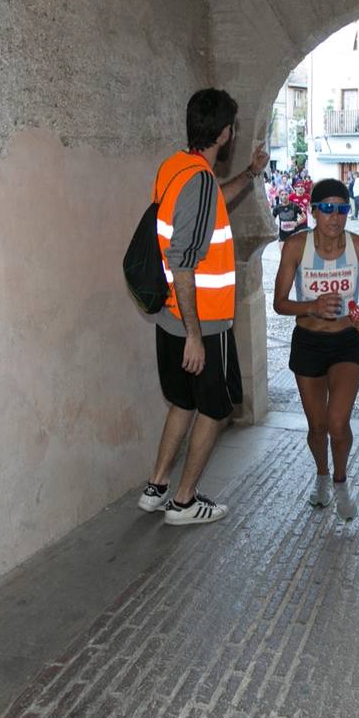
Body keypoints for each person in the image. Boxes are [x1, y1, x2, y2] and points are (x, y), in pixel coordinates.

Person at [137, 88, 268, 525]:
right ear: (225, 132)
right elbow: (183, 261)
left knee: (182, 402)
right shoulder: (199, 180)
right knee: (215, 408)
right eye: (233, 127)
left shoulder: (178, 168)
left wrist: (250, 174)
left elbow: (208, 203)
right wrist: (196, 335)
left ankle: (156, 488)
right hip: (201, 325)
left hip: (169, 320)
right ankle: (184, 501)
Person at [274, 179, 359, 520]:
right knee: (317, 427)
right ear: (313, 212)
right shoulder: (296, 246)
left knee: (338, 423)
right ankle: (321, 478)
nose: (335, 217)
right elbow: (280, 304)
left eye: (341, 209)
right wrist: (310, 306)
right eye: (327, 209)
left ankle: (341, 483)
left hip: (346, 342)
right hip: (308, 342)